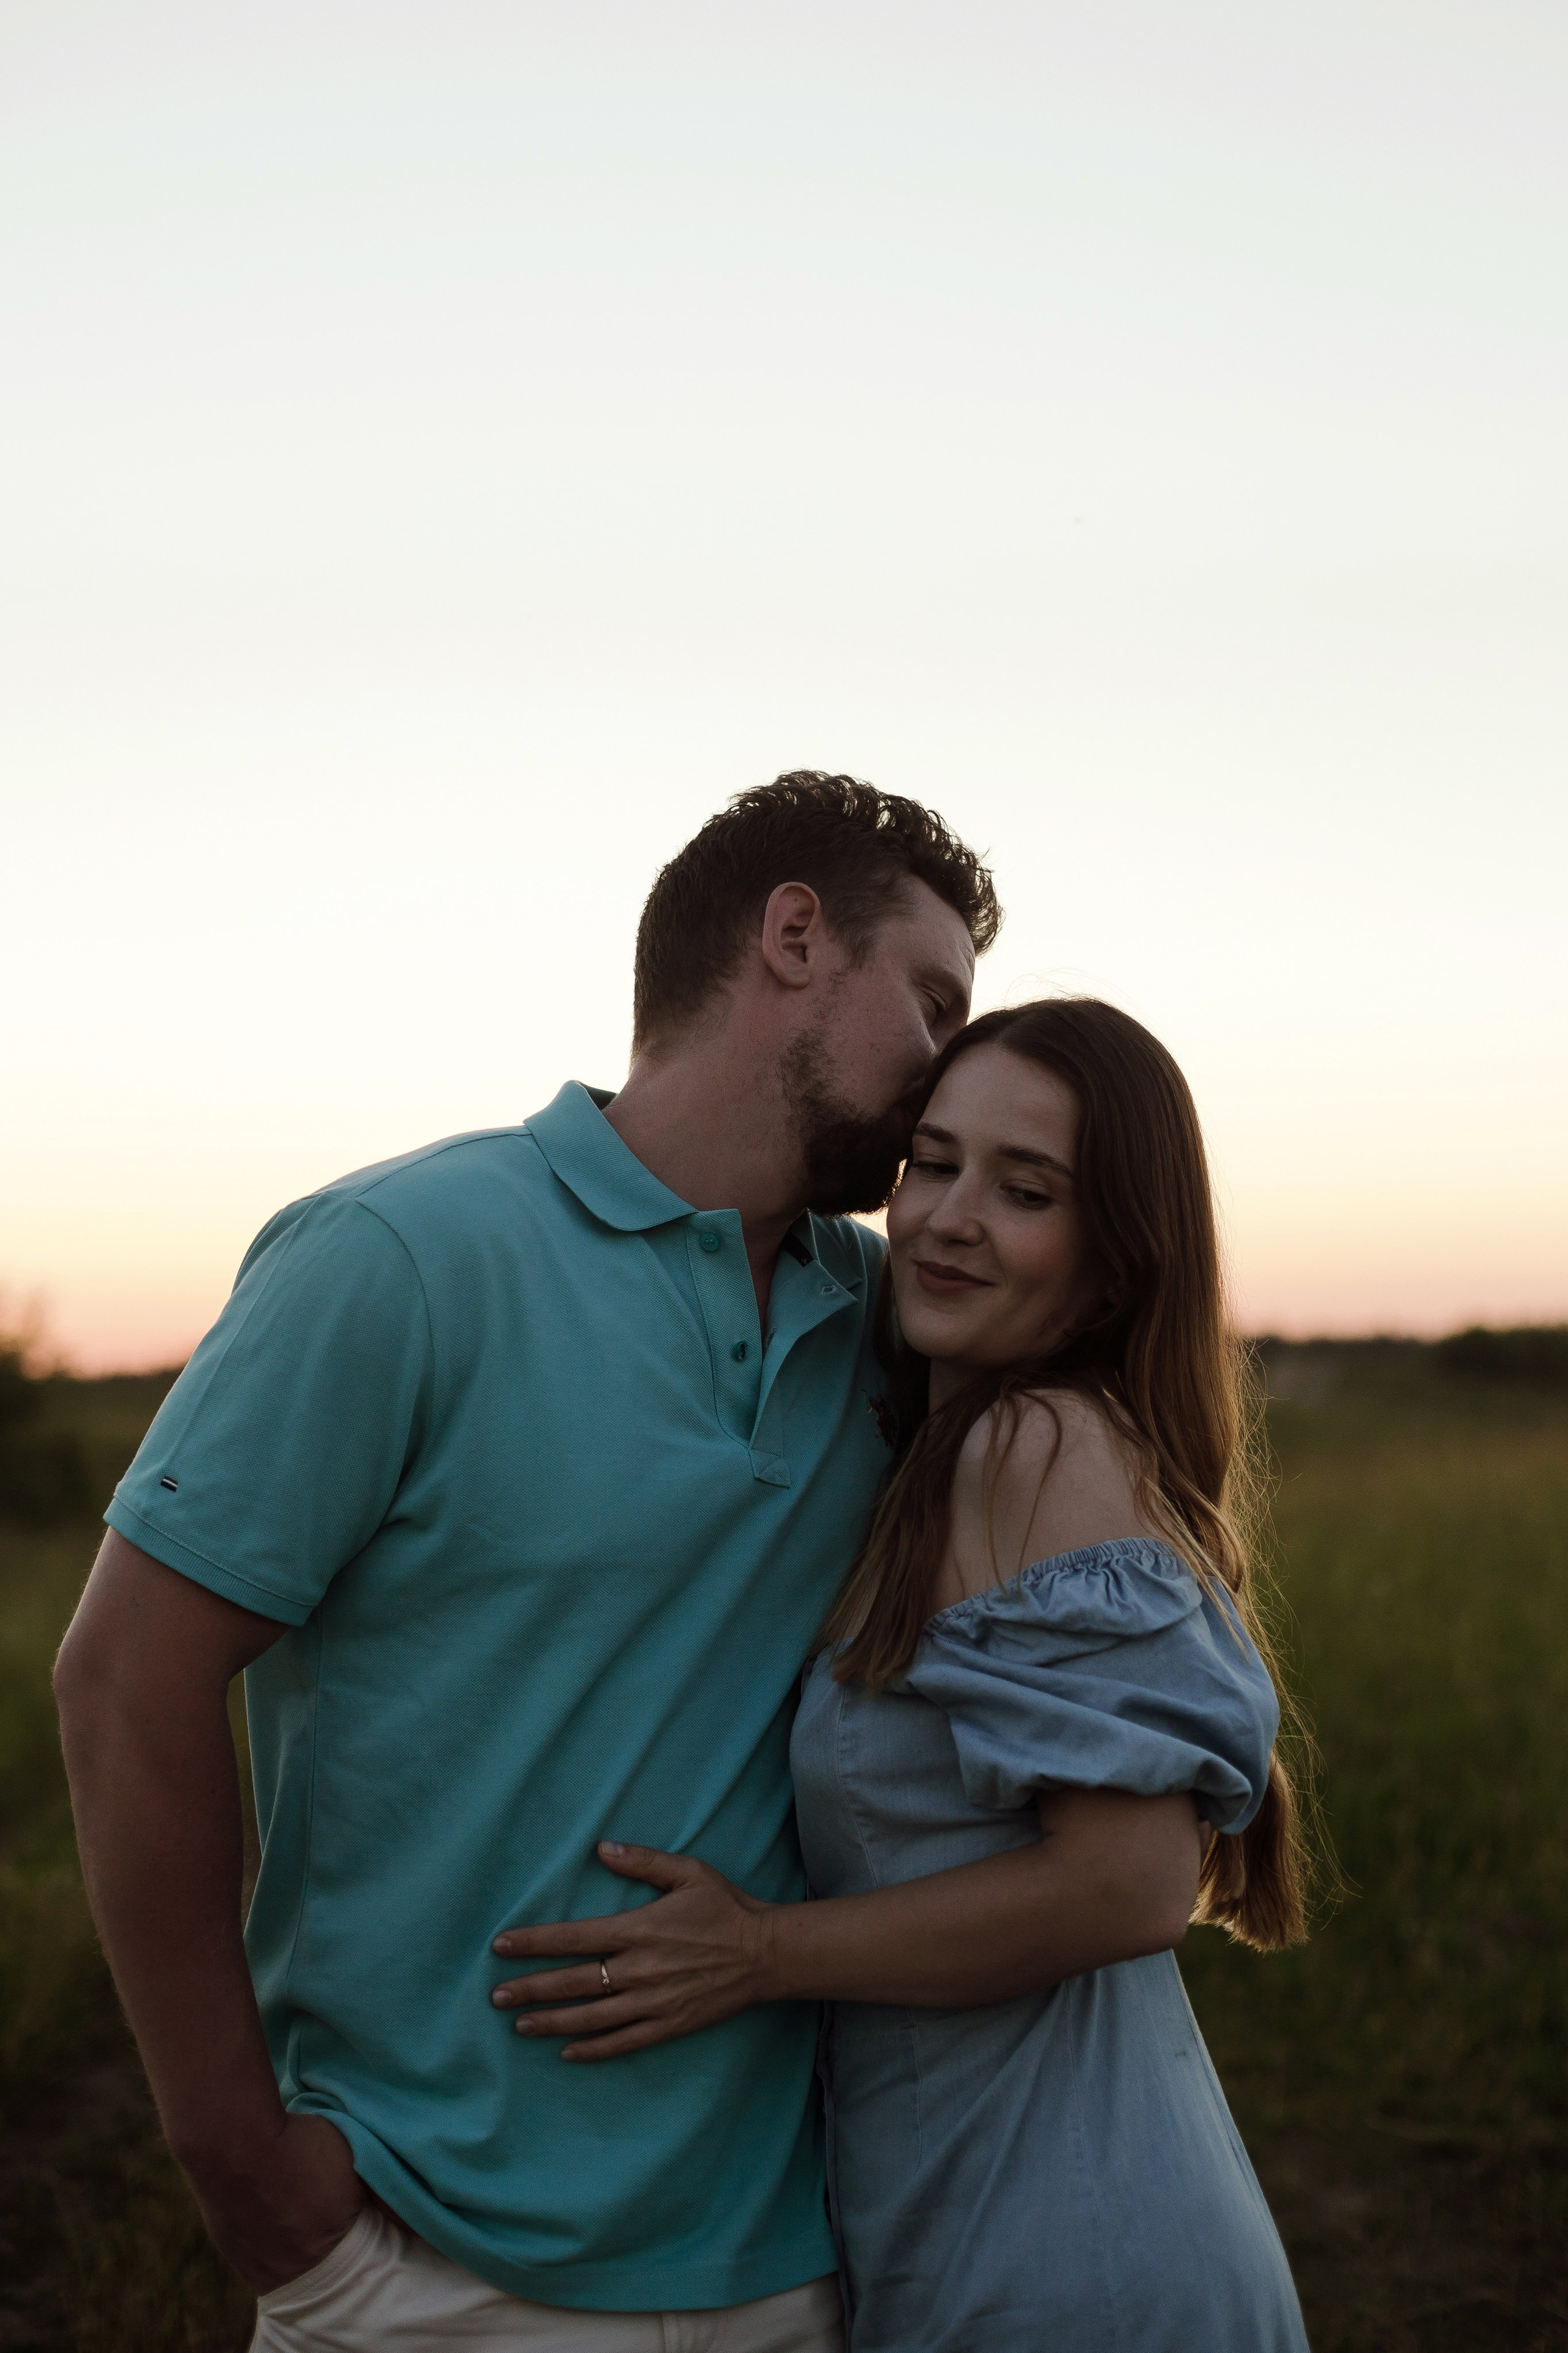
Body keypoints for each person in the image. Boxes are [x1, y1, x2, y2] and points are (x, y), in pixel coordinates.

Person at [54, 772, 1009, 2350]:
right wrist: (241, 2168)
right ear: (790, 937)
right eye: (929, 1002)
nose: (944, 1070)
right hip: (426, 2266)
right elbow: (124, 1678)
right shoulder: (399, 1256)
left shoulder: (894, 1327)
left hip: (793, 2257)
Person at [490, 998, 1313, 2352]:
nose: (946, 1216)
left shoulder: (1036, 1448)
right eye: (932, 1163)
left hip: (1071, 2249)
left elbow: (1129, 1881)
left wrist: (755, 1952)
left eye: (1024, 1188)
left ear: (1111, 1262)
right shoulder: (937, 1461)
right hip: (960, 2212)